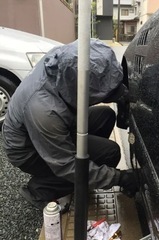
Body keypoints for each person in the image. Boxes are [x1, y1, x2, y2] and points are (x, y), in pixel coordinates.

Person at [2, 39, 138, 212]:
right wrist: (119, 178)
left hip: (53, 125)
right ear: (79, 87)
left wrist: (120, 95)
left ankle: (87, 169)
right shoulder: (45, 111)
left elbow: (99, 77)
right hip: (28, 150)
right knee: (109, 154)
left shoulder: (63, 64)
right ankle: (39, 189)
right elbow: (66, 164)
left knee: (105, 115)